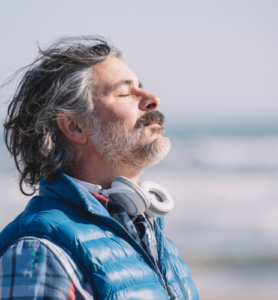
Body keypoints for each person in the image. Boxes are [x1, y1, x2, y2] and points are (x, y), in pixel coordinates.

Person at [0, 37, 199, 300]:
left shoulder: (152, 237)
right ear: (74, 126)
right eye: (125, 93)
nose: (153, 99)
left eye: (141, 87)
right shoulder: (39, 250)